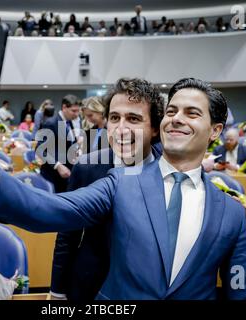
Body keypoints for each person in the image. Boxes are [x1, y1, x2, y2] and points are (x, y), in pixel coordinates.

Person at [0, 77, 246, 300]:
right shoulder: (118, 180)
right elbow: (50, 211)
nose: (177, 119)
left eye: (192, 113)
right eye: (172, 110)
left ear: (215, 129)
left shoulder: (230, 214)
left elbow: (242, 292)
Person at [51, 78, 164, 301]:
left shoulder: (170, 170)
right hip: (91, 286)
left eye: (133, 118)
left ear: (153, 129)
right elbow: (68, 234)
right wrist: (57, 291)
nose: (121, 129)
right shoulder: (86, 167)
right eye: (114, 118)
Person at [36, 95, 82, 192]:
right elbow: (40, 149)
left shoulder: (71, 122)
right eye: (74, 111)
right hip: (53, 175)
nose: (77, 114)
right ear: (64, 107)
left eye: (78, 111)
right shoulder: (51, 123)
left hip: (68, 174)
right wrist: (58, 166)